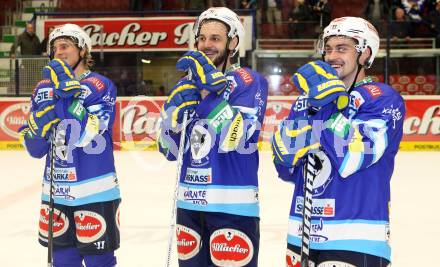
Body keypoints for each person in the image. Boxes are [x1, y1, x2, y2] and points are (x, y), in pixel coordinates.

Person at [271, 17, 405, 266]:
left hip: (355, 237)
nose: (332, 56)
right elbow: (287, 168)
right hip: (301, 233)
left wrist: (326, 110)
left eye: (342, 48)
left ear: (365, 53)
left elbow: (353, 156)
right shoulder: (306, 100)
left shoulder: (382, 99)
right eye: (328, 49)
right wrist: (288, 147)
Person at [158, 7, 268, 267]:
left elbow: (238, 137)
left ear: (233, 43)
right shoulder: (185, 84)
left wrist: (209, 94)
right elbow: (168, 150)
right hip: (189, 205)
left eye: (215, 39)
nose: (207, 45)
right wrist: (170, 124)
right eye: (202, 38)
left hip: (232, 207)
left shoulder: (249, 81)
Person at [18, 23, 121, 266]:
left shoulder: (100, 85)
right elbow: (35, 150)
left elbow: (90, 136)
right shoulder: (43, 89)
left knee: (99, 262)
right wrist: (37, 128)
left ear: (83, 50)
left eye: (65, 46)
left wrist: (68, 101)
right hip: (57, 192)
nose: (59, 52)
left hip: (95, 190)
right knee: (63, 261)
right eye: (54, 49)